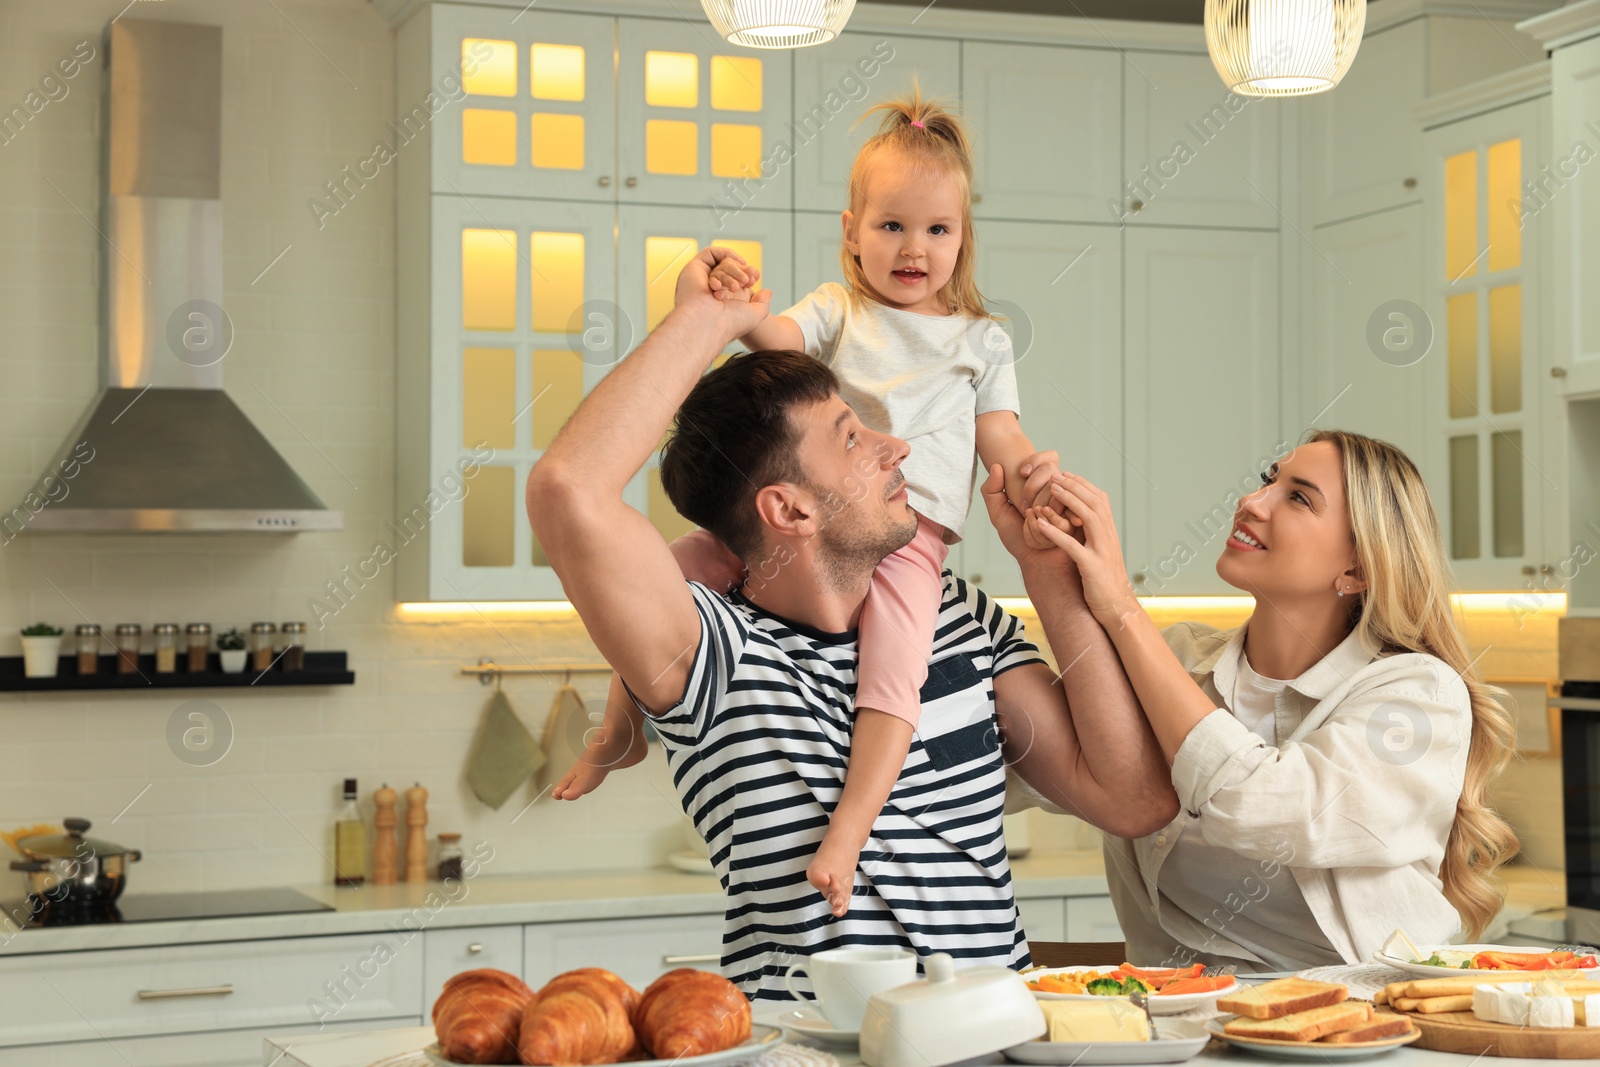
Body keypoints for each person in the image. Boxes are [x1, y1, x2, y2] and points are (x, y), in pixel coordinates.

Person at [525, 244, 1176, 1000]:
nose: (897, 445)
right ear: (790, 508)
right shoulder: (711, 652)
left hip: (994, 1047)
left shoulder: (959, 619)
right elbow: (568, 488)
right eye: (852, 438)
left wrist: (1046, 570)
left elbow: (1133, 800)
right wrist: (705, 319)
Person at [553, 91, 1065, 919]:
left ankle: (850, 829)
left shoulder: (982, 339)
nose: (914, 248)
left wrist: (1034, 478)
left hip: (911, 533)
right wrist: (732, 307)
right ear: (852, 230)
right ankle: (616, 731)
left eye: (938, 230)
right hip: (808, 525)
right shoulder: (840, 307)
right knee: (672, 572)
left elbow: (1000, 437)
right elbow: (774, 341)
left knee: (894, 676)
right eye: (891, 225)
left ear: (963, 238)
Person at [1016, 430, 1520, 971]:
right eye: (1268, 481)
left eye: (1298, 497)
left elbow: (1264, 805)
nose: (1252, 502)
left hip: (1368, 1022)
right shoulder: (1177, 658)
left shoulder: (1420, 695)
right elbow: (1040, 767)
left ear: (1356, 570)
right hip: (1181, 1022)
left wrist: (1122, 607)